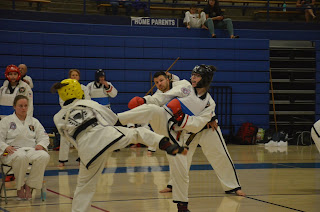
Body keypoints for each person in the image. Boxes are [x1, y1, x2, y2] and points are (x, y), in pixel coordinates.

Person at [51, 79, 187, 212]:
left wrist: (83, 153)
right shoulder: (88, 103)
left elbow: (69, 139)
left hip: (87, 150)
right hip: (105, 135)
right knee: (137, 133)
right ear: (77, 92)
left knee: (83, 187)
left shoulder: (57, 117)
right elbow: (114, 120)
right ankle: (164, 143)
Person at [117, 65, 218, 212]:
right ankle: (115, 120)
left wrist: (182, 119)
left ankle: (182, 206)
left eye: (197, 76)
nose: (193, 78)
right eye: (193, 75)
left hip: (178, 137)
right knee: (152, 109)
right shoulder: (186, 86)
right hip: (164, 120)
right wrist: (144, 101)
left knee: (181, 171)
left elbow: (198, 125)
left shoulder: (209, 103)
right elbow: (163, 97)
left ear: (206, 79)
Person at [0, 95, 50, 200]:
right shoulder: (6, 121)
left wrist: (41, 144)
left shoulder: (34, 121)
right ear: (14, 106)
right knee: (21, 157)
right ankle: (20, 186)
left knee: (44, 156)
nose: (23, 108)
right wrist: (5, 146)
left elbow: (44, 136)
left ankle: (29, 185)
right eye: (20, 106)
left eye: (25, 106)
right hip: (11, 151)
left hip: (31, 149)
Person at [58, 69, 91, 167]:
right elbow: (62, 102)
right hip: (68, 114)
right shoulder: (64, 87)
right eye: (72, 75)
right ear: (69, 77)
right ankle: (62, 159)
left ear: (79, 77)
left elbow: (87, 101)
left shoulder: (83, 88)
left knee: (82, 137)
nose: (74, 77)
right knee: (64, 137)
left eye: (76, 75)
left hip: (81, 115)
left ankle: (82, 158)